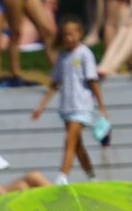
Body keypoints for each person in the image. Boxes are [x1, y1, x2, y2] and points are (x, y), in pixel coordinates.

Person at [31, 19, 106, 181]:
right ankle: (91, 176)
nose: (68, 38)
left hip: (81, 105)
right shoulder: (62, 56)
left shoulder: (85, 54)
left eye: (71, 34)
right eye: (65, 35)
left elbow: (93, 81)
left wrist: (101, 106)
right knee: (77, 146)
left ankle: (62, 176)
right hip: (67, 106)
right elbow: (55, 83)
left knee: (69, 140)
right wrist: (41, 106)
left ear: (79, 34)